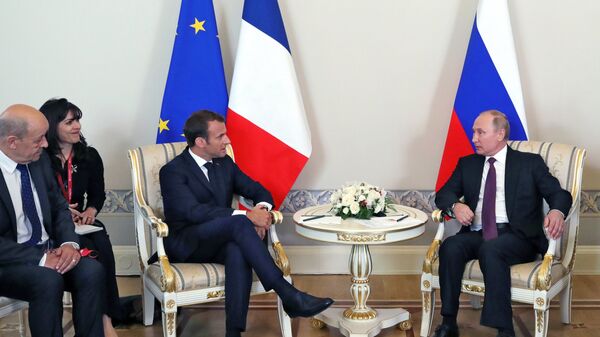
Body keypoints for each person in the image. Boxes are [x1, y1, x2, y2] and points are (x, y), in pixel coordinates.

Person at [159, 110, 333, 337]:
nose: (228, 141)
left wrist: (261, 212)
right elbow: (193, 212)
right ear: (201, 142)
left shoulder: (224, 164)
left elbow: (260, 191)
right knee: (240, 223)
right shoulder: (172, 171)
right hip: (186, 243)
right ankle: (288, 295)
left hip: (219, 240)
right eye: (220, 136)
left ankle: (234, 332)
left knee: (237, 250)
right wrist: (247, 217)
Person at [432, 110, 572, 337]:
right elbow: (444, 194)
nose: (474, 138)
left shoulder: (529, 163)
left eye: (480, 132)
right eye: (473, 132)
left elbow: (559, 194)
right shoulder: (468, 164)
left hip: (517, 237)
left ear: (500, 134)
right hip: (477, 233)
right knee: (450, 246)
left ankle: (504, 329)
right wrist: (456, 206)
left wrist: (556, 211)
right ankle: (449, 322)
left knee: (492, 248)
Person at [0, 104, 105, 337]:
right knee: (47, 280)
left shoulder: (38, 161)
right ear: (12, 142)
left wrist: (69, 244)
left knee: (91, 271)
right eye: (39, 140)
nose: (46, 145)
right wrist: (40, 258)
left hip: (49, 249)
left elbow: (58, 208)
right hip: (8, 263)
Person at [39, 98, 122, 337]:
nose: (77, 126)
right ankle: (97, 322)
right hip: (53, 225)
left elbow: (97, 194)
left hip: (84, 223)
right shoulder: (39, 158)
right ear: (53, 126)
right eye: (70, 122)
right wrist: (62, 209)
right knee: (93, 251)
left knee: (101, 243)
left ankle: (105, 321)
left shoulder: (89, 156)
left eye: (78, 121)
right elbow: (37, 199)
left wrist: (90, 211)